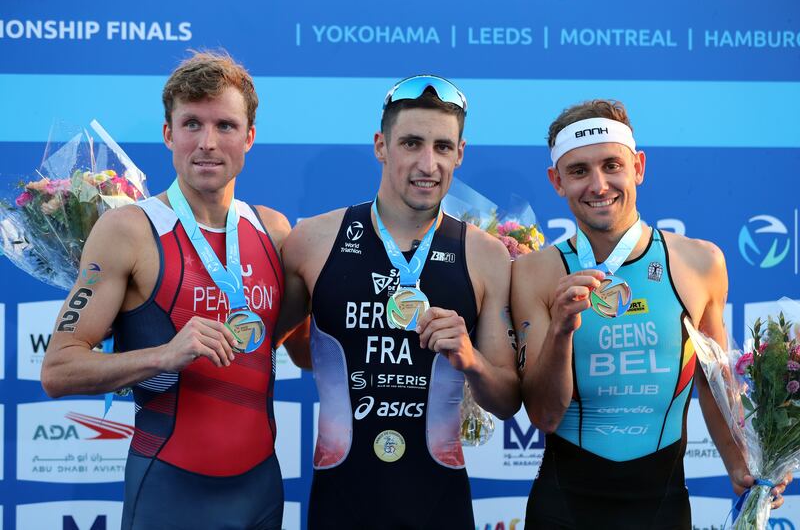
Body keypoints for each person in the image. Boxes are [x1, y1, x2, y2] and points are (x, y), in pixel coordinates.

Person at [41, 51, 293, 530]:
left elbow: (294, 341)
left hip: (262, 492)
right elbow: (58, 369)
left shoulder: (273, 230)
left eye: (225, 126)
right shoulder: (128, 231)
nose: (207, 143)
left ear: (250, 137)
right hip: (169, 489)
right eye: (191, 124)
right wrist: (163, 355)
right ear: (168, 134)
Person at [511, 99, 790, 529]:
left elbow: (714, 383)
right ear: (556, 181)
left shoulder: (700, 263)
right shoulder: (533, 273)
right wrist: (562, 330)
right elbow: (544, 416)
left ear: (638, 167)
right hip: (563, 508)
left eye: (612, 165)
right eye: (579, 171)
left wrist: (741, 464)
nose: (599, 185)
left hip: (662, 508)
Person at [275, 75, 521, 529]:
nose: (428, 163)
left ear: (460, 153)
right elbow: (267, 342)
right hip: (341, 502)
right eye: (411, 143)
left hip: (439, 503)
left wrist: (471, 360)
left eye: (443, 147)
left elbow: (506, 401)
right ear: (380, 146)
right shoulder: (314, 239)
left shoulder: (487, 255)